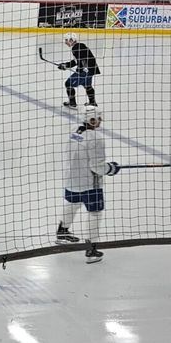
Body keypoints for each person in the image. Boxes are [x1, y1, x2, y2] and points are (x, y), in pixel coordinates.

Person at [55, 106, 120, 263]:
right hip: (90, 185)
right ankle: (91, 250)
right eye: (98, 118)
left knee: (72, 204)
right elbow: (97, 167)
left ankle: (62, 233)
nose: (100, 120)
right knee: (95, 213)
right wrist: (111, 168)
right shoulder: (96, 139)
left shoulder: (74, 131)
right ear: (93, 120)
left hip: (71, 179)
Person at [58, 33, 100, 109]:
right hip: (91, 70)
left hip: (85, 71)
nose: (65, 42)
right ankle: (92, 102)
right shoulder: (78, 46)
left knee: (68, 83)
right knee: (87, 86)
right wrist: (65, 65)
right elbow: (76, 61)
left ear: (71, 40)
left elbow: (81, 60)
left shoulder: (76, 48)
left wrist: (81, 70)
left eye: (66, 40)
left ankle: (72, 103)